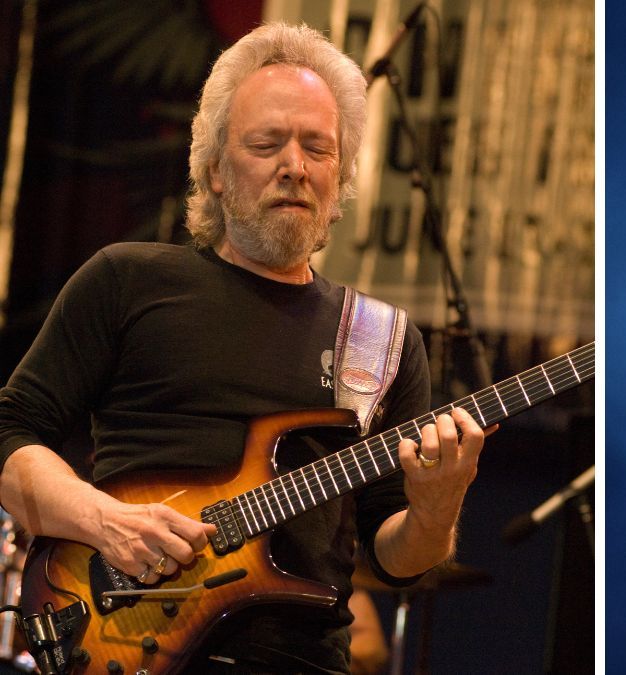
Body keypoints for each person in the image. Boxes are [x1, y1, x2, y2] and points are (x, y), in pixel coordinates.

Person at [0, 23, 487, 673]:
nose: (294, 165)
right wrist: (103, 519)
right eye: (267, 143)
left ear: (340, 179)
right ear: (216, 170)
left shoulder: (383, 339)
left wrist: (436, 505)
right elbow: (10, 432)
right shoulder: (127, 280)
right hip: (124, 639)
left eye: (318, 147)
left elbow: (391, 557)